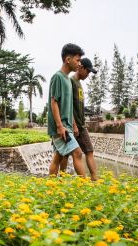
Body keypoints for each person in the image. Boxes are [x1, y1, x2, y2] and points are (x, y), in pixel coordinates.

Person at [47, 44, 86, 177]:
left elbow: (68, 107)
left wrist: (73, 124)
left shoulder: (68, 81)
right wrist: (59, 126)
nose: (79, 64)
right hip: (61, 127)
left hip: (67, 126)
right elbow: (54, 102)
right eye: (77, 60)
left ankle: (53, 186)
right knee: (77, 153)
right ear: (68, 59)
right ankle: (85, 186)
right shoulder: (58, 77)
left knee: (58, 157)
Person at [61, 57, 98, 180]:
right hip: (73, 126)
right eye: (87, 71)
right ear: (81, 68)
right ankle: (61, 180)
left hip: (81, 126)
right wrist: (74, 124)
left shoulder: (79, 84)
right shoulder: (71, 82)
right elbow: (68, 105)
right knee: (65, 154)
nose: (88, 75)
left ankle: (94, 179)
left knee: (89, 150)